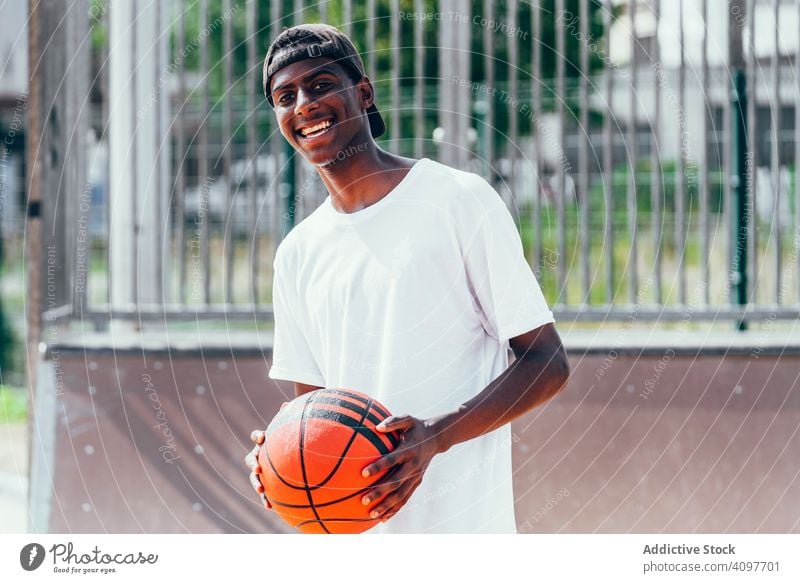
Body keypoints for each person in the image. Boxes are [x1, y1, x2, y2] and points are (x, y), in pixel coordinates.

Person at [244, 23, 570, 534]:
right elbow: (313, 410)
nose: (304, 104)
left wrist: (435, 437)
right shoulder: (297, 254)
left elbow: (548, 363)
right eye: (286, 96)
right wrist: (283, 458)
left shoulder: (458, 200)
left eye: (321, 84)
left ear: (363, 92)